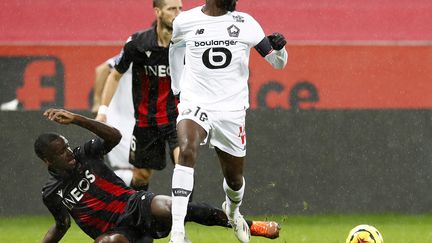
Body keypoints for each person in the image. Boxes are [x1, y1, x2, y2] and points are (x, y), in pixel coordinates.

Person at [36, 108, 280, 243]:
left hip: (134, 206)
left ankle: (250, 226)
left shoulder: (84, 154)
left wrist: (78, 119)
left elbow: (114, 137)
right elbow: (61, 225)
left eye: (67, 147)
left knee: (176, 207)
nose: (68, 153)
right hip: (114, 233)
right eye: (61, 153)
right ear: (48, 161)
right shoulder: (51, 194)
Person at [168, 0, 288, 242]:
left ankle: (233, 211)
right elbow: (175, 50)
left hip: (231, 111)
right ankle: (177, 233)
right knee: (187, 151)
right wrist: (177, 90)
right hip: (196, 104)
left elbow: (277, 63)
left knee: (234, 179)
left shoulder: (246, 23)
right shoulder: (184, 22)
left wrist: (281, 50)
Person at [96, 0, 181, 192]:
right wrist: (102, 111)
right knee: (141, 176)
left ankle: (179, 220)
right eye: (172, 9)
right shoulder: (138, 43)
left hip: (177, 118)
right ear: (158, 12)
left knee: (184, 166)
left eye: (180, 8)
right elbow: (114, 74)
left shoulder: (186, 43)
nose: (178, 13)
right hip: (146, 121)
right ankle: (137, 216)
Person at [92, 56, 135, 186]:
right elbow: (102, 69)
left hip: (135, 120)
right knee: (131, 168)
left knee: (138, 170)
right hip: (121, 120)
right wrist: (98, 103)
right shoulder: (136, 52)